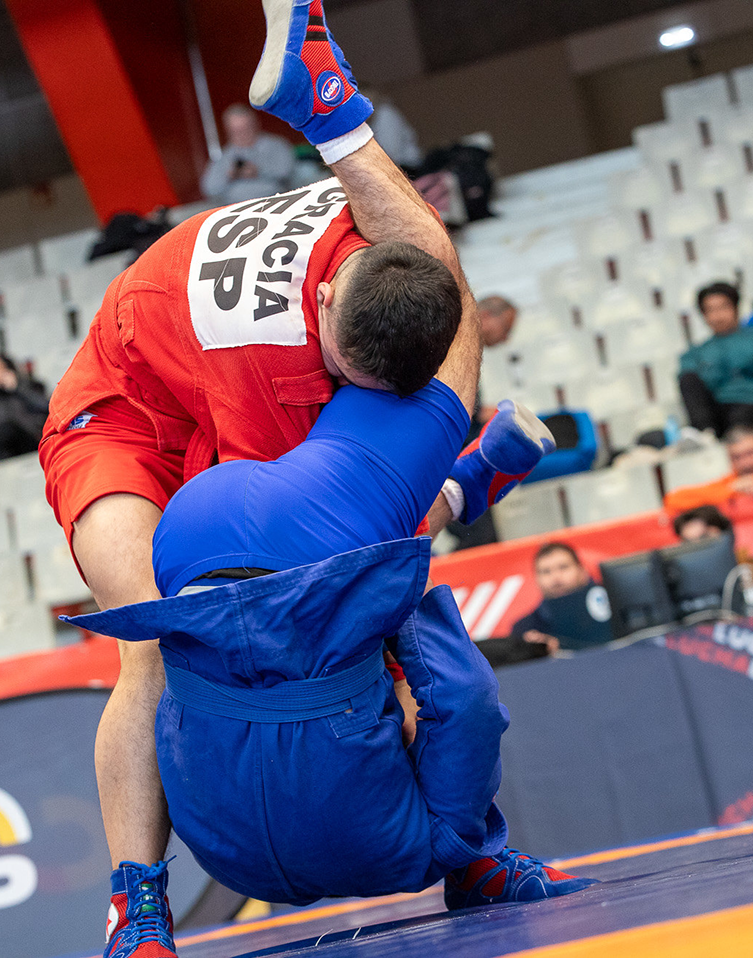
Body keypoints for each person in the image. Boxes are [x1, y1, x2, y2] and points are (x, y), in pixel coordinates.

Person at [41, 4, 581, 953]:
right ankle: (139, 908)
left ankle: (472, 854)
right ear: (326, 311)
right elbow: (322, 563)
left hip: (218, 359)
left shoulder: (389, 262)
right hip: (125, 411)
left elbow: (434, 268)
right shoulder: (287, 364)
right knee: (165, 639)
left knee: (352, 575)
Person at [677, 283, 753, 437]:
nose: (717, 315)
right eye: (710, 310)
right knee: (688, 380)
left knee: (739, 423)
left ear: (736, 308)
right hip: (720, 408)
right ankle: (704, 435)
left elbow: (749, 359)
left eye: (723, 307)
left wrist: (711, 368)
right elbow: (689, 375)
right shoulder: (697, 351)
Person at [505, 542, 612, 654]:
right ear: (536, 579)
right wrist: (539, 651)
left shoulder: (613, 603)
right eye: (546, 572)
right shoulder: (525, 629)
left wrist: (561, 647)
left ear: (582, 570)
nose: (556, 577)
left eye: (563, 567)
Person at [672, 505, 753, 596]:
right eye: (689, 543)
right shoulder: (680, 589)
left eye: (705, 538)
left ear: (728, 535)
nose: (698, 547)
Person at [199, 103, 296, 204]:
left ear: (256, 124)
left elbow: (286, 172)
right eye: (236, 131)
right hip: (236, 208)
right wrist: (229, 175)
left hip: (272, 202)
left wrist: (257, 171)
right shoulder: (224, 156)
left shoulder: (275, 145)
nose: (242, 135)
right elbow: (209, 188)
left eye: (245, 129)